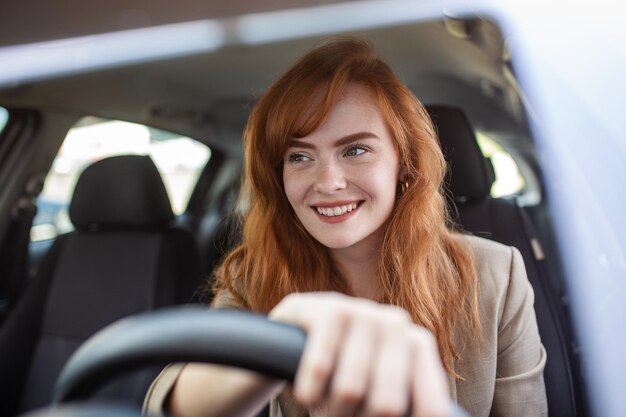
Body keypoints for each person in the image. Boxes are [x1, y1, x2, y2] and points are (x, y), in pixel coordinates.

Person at [144, 37, 547, 417]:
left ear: (404, 163)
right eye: (300, 157)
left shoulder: (497, 274)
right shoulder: (252, 278)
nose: (328, 182)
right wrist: (275, 340)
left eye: (355, 150)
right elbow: (171, 403)